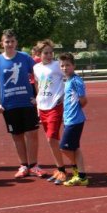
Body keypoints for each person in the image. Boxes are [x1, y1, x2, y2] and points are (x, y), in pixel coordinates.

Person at [0, 29, 43, 179]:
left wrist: (38, 97)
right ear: (2, 43)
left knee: (32, 134)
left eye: (12, 41)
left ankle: (34, 165)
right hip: (9, 105)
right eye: (7, 41)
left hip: (27, 103)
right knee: (17, 136)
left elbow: (39, 75)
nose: (10, 44)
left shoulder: (25, 57)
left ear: (16, 42)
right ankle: (24, 165)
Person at [33, 40, 66, 184]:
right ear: (39, 54)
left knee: (51, 139)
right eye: (45, 53)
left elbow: (69, 77)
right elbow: (39, 87)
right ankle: (59, 169)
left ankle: (62, 170)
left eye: (51, 52)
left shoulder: (57, 66)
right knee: (52, 140)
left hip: (55, 106)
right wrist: (37, 106)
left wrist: (63, 96)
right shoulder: (36, 68)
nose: (49, 55)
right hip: (43, 107)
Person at [58, 53, 89, 187]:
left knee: (64, 147)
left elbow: (83, 100)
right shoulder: (68, 80)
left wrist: (75, 111)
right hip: (69, 119)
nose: (65, 68)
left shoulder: (76, 81)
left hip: (75, 120)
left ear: (73, 66)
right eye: (62, 66)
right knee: (75, 148)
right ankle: (81, 176)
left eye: (68, 65)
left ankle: (78, 170)